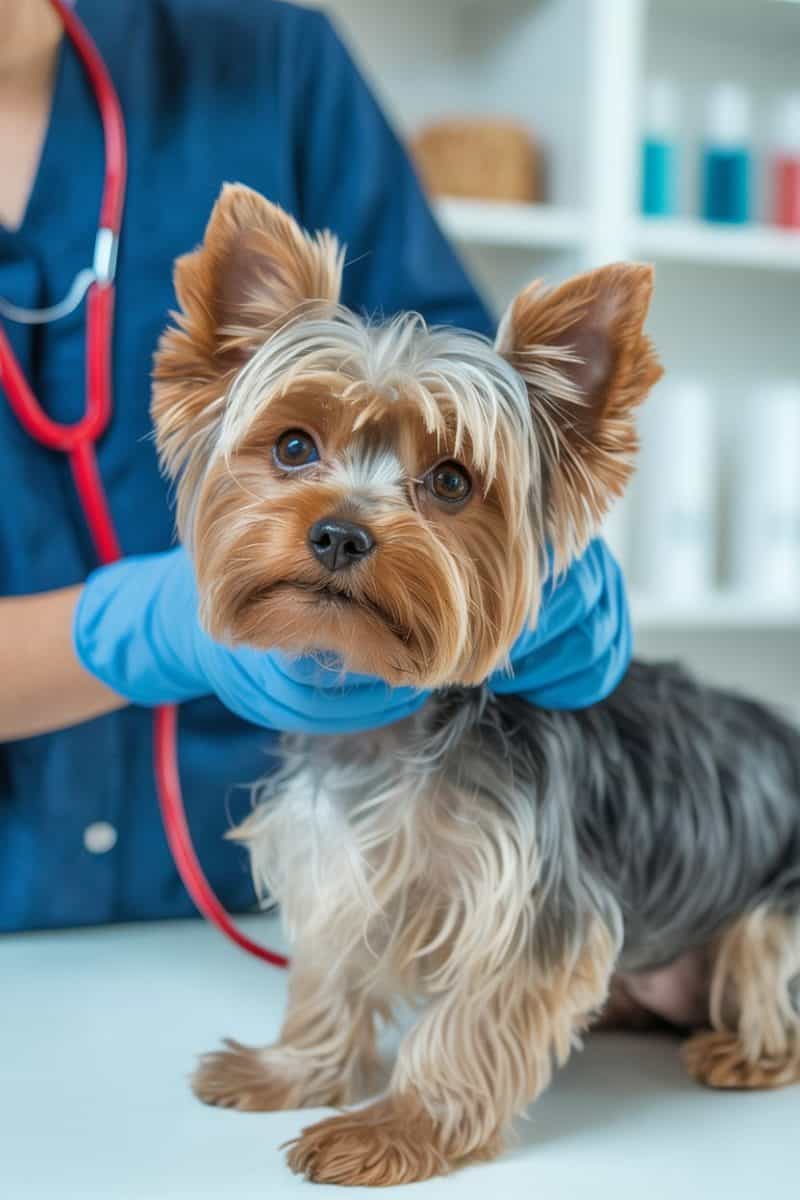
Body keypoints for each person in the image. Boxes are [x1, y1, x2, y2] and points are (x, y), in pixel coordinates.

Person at [0, 0, 631, 933]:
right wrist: (145, 625)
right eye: (295, 450)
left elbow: (472, 415)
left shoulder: (273, 58)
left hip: (310, 895)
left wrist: (533, 561)